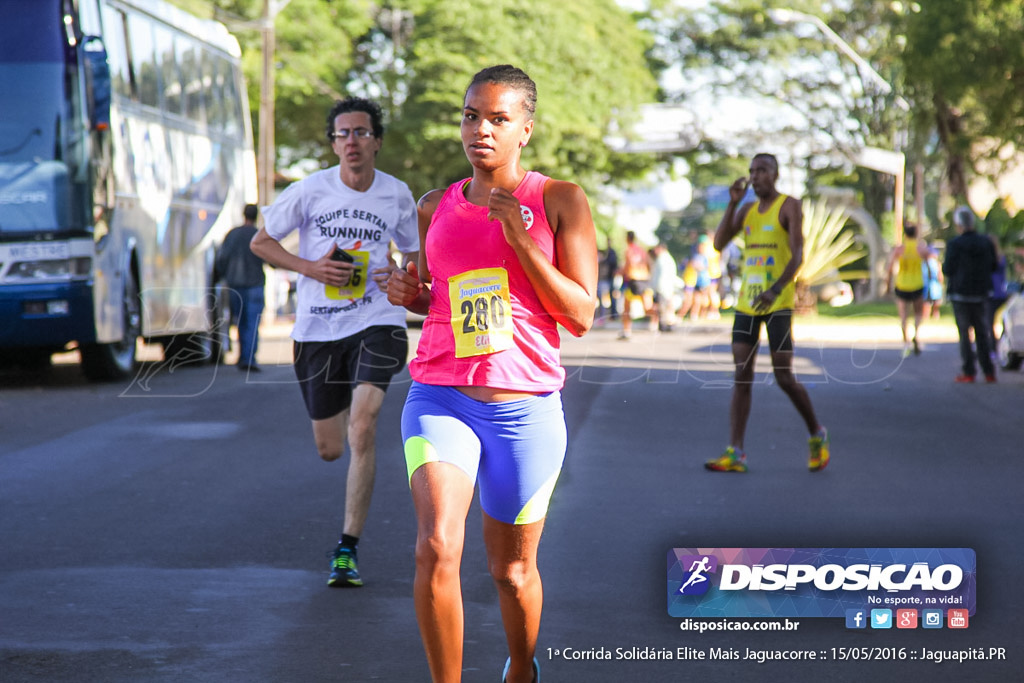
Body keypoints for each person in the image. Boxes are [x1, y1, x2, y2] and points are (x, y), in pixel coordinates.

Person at [387, 64, 597, 683]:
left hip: (524, 406)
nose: (481, 129)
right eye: (471, 114)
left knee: (512, 572)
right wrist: (409, 292)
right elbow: (437, 296)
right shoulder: (436, 206)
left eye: (499, 119)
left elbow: (581, 314)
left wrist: (521, 236)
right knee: (436, 547)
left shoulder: (559, 201)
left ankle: (523, 668)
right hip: (439, 395)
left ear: (525, 130)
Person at [250, 96, 419, 587]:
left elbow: (413, 254)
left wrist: (405, 277)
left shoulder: (396, 194)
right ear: (333, 143)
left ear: (377, 142)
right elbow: (261, 242)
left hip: (377, 319)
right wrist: (310, 266)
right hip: (318, 329)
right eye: (343, 134)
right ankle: (344, 407)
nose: (352, 141)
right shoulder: (309, 191)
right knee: (330, 448)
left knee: (363, 427)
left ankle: (347, 549)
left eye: (362, 133)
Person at [706, 153, 829, 473]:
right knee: (741, 375)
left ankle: (817, 433)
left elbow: (798, 255)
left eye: (761, 170)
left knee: (783, 375)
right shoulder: (746, 210)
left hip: (777, 302)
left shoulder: (789, 206)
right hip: (748, 302)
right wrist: (732, 203)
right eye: (752, 171)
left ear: (775, 174)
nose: (755, 176)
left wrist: (775, 289)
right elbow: (719, 243)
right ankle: (735, 452)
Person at [942, 206, 997, 383]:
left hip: (960, 294)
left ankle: (969, 371)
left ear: (958, 225)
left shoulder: (954, 244)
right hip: (981, 293)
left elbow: (947, 269)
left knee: (965, 335)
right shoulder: (986, 242)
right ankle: (988, 371)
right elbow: (993, 266)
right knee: (982, 332)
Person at [215, 203, 266, 371]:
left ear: (243, 215)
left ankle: (243, 356)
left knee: (240, 322)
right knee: (252, 323)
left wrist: (220, 276)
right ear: (256, 215)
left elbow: (222, 258)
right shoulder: (259, 235)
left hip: (235, 285)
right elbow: (272, 259)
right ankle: (249, 358)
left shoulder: (233, 234)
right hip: (255, 284)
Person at [885, 223, 932, 357]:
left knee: (903, 315)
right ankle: (916, 335)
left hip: (902, 285)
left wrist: (888, 284)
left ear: (905, 234)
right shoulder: (921, 249)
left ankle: (906, 342)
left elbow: (889, 268)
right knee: (918, 313)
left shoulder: (900, 250)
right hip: (917, 284)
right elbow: (929, 267)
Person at [617, 230, 652, 339]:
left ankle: (627, 331)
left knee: (626, 308)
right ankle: (656, 325)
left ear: (627, 238)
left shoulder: (629, 250)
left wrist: (620, 272)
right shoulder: (642, 251)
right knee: (647, 307)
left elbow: (628, 266)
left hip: (632, 280)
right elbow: (649, 265)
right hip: (644, 279)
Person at [650, 242, 678, 331]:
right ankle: (668, 325)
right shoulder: (668, 259)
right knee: (667, 308)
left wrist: (655, 288)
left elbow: (659, 276)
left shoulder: (662, 259)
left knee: (663, 308)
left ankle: (666, 325)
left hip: (662, 288)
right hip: (667, 288)